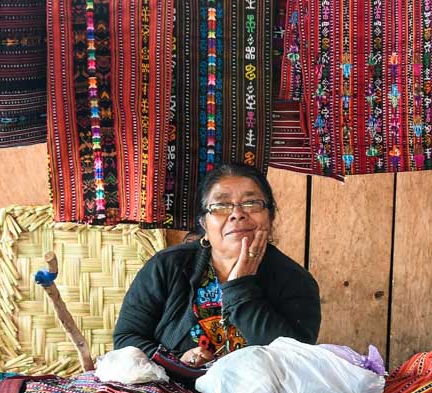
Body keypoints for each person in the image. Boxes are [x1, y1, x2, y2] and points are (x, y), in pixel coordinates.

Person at [113, 162, 322, 379]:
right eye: (221, 206)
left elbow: (295, 362)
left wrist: (241, 287)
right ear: (204, 222)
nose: (237, 214)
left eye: (251, 203)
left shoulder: (296, 281)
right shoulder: (166, 267)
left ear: (270, 217)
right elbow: (126, 338)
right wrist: (176, 362)